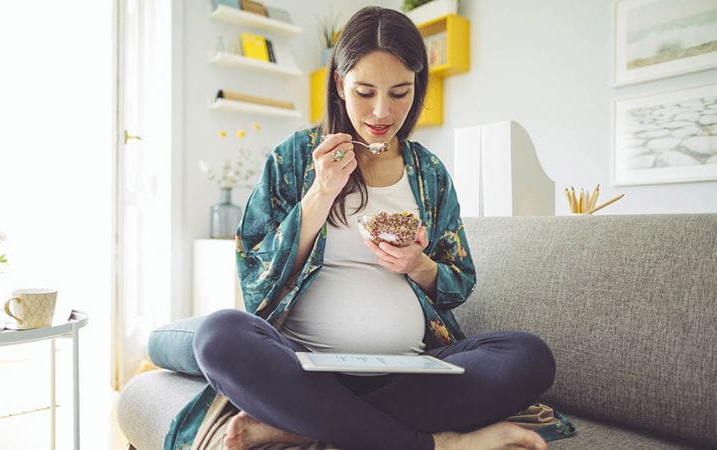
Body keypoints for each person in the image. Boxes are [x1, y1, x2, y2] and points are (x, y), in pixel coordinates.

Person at [188, 6, 558, 450]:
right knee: (219, 336)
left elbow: (458, 283)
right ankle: (439, 444)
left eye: (400, 92)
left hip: (410, 371)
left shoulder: (429, 173)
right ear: (340, 85)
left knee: (528, 356)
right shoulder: (295, 157)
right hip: (302, 367)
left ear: (417, 88)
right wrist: (321, 193)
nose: (382, 111)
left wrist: (418, 264)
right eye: (365, 91)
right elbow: (255, 280)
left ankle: (303, 425)